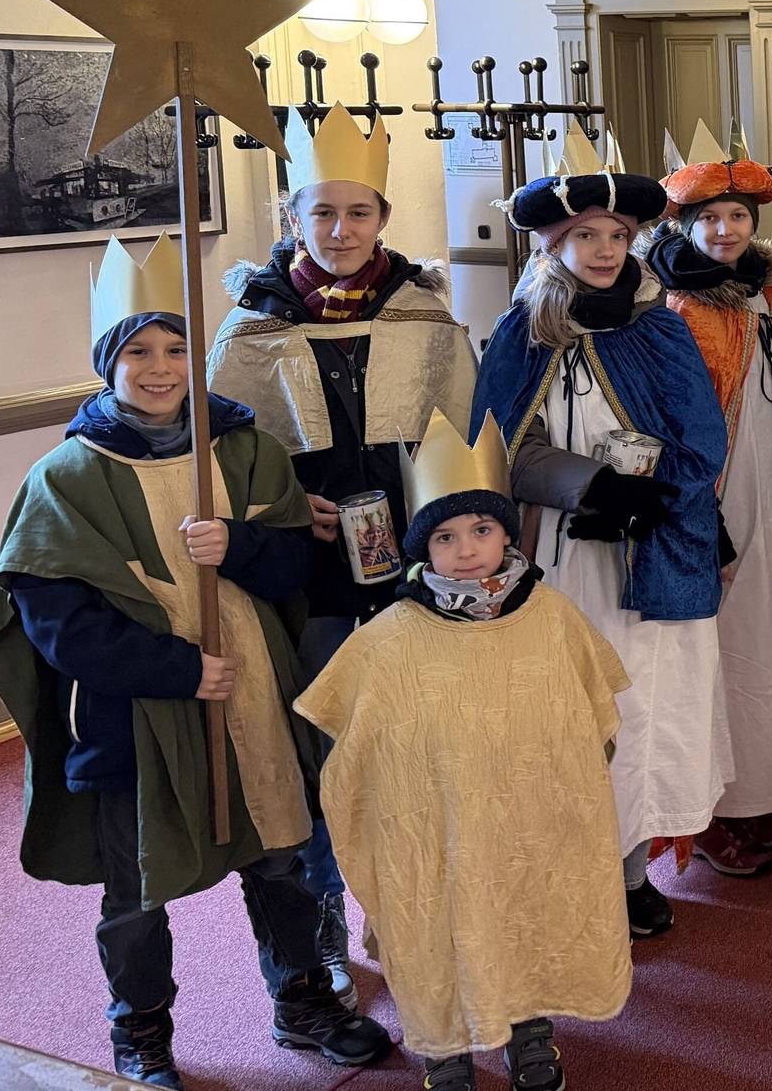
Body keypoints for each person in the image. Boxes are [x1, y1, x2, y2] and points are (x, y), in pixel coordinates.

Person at [0, 237, 393, 1088]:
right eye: (138, 350)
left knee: (278, 852)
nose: (161, 367)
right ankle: (141, 1030)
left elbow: (292, 572)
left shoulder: (243, 451)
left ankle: (303, 1000)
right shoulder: (66, 477)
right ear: (108, 361)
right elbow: (57, 620)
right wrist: (175, 668)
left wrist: (238, 543)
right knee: (137, 886)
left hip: (252, 693)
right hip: (134, 713)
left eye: (175, 346)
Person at [208, 103, 477, 1000]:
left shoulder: (425, 318)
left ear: (384, 220)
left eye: (358, 212)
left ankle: (401, 902)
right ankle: (323, 903)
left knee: (411, 733)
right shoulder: (254, 328)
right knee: (318, 735)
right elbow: (218, 462)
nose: (341, 230)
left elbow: (461, 436)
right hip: (308, 574)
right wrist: (289, 506)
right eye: (321, 212)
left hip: (409, 563)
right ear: (292, 219)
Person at [296, 410, 631, 1091]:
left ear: (506, 529)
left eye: (482, 528)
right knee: (436, 915)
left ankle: (529, 1025)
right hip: (435, 822)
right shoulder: (390, 638)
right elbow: (346, 741)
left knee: (526, 903)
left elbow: (594, 716)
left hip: (528, 812)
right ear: (424, 549)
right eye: (446, 536)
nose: (468, 548)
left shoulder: (551, 616)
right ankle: (443, 1043)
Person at [476, 133, 731, 936]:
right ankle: (575, 866)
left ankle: (630, 873)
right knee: (576, 714)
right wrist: (591, 484)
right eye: (586, 234)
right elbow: (498, 444)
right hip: (566, 554)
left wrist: (656, 495)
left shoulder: (660, 328)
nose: (604, 250)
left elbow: (703, 436)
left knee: (643, 704)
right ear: (555, 244)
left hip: (651, 543)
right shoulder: (524, 333)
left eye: (619, 236)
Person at [644, 122, 772, 874]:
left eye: (738, 217)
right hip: (722, 501)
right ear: (684, 226)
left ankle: (756, 791)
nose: (725, 230)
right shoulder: (680, 310)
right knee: (717, 656)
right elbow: (679, 426)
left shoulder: (757, 292)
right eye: (709, 219)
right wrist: (703, 522)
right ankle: (709, 809)